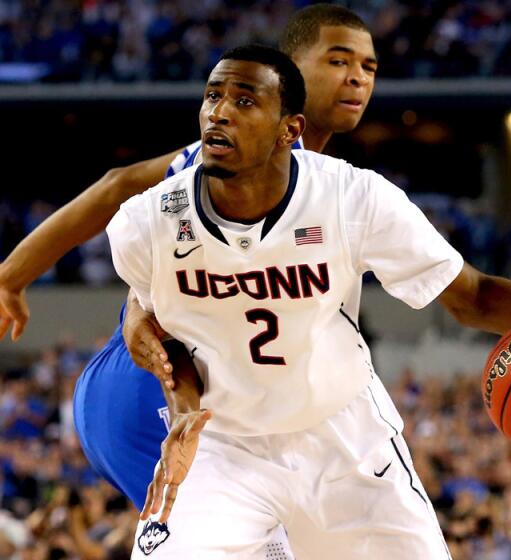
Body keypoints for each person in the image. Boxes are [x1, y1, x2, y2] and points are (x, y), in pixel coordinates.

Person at [107, 43, 511, 558]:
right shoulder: (144, 225)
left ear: (291, 129)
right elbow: (164, 332)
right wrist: (182, 413)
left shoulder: (353, 197)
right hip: (225, 446)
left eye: (244, 101)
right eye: (212, 96)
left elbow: (470, 295)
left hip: (344, 440)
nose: (218, 112)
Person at [0, 4, 377, 514]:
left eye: (368, 67)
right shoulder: (237, 155)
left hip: (177, 396)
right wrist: (11, 276)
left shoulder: (309, 174)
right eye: (338, 61)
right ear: (287, 69)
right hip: (147, 393)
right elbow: (121, 190)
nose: (356, 77)